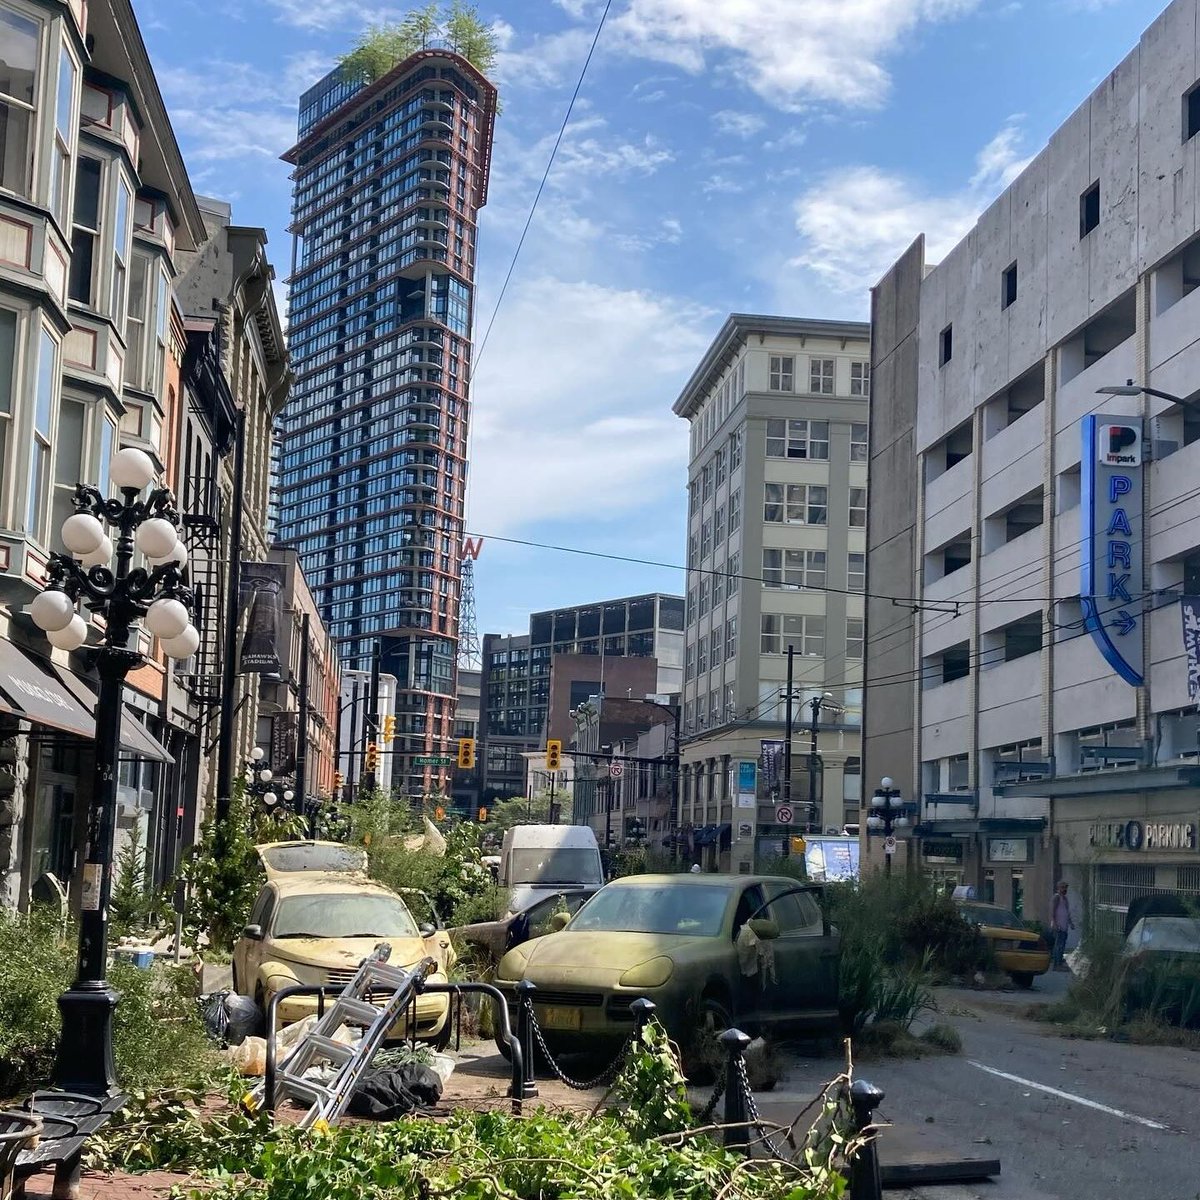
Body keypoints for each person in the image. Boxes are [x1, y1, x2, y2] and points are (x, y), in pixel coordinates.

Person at [1049, 881, 1073, 969]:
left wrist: (1070, 923)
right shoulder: (1056, 897)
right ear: (1058, 888)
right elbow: (1052, 911)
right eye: (1063, 887)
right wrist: (1054, 923)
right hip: (1058, 926)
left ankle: (1059, 963)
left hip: (1064, 926)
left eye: (1066, 887)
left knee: (1062, 945)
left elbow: (1067, 912)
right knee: (1058, 945)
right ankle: (1056, 964)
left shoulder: (1065, 899)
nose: (1064, 889)